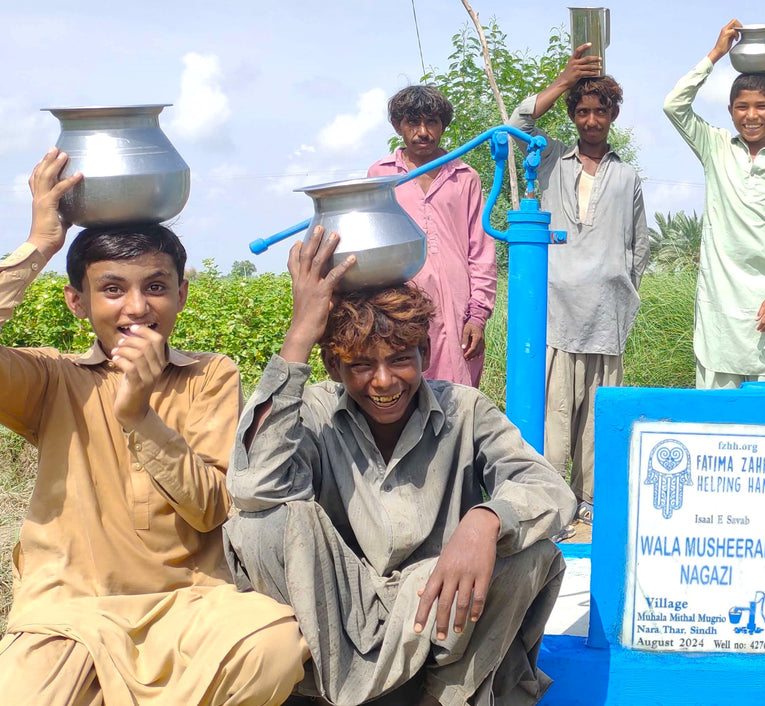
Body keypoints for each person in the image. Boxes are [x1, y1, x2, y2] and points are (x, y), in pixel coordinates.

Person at [0, 149, 306, 705]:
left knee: (274, 647)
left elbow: (213, 507)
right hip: (68, 607)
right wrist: (40, 245)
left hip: (185, 603)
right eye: (113, 289)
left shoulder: (210, 375)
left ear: (182, 294)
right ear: (77, 301)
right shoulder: (52, 379)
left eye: (156, 287)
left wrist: (138, 414)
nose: (137, 307)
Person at [222, 226, 575, 706]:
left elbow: (550, 490)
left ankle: (441, 698)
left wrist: (486, 520)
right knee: (262, 526)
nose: (384, 381)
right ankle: (343, 692)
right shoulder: (315, 413)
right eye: (362, 365)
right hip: (341, 624)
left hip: (444, 619)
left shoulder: (466, 410)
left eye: (399, 360)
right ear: (334, 368)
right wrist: (301, 331)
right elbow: (253, 488)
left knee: (533, 554)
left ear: (424, 355)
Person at [506, 44, 649, 529]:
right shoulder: (549, 163)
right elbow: (515, 128)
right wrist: (565, 79)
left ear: (612, 116)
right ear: (572, 116)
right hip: (558, 310)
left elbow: (637, 247)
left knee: (597, 416)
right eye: (582, 111)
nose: (591, 120)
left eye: (600, 111)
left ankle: (590, 503)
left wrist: (621, 290)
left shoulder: (626, 176)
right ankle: (552, 503)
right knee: (556, 415)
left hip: (605, 314)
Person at [663, 19, 765, 390]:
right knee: (717, 416)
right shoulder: (714, 147)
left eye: (762, 106)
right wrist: (716, 54)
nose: (751, 115)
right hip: (720, 307)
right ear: (730, 111)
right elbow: (673, 105)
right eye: (742, 106)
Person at [368, 85, 496, 388]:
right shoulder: (381, 175)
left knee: (455, 399)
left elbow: (481, 251)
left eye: (432, 122)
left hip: (456, 309)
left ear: (443, 126)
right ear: (398, 126)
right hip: (398, 306)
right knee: (402, 387)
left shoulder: (464, 176)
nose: (422, 132)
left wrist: (477, 316)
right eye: (413, 123)